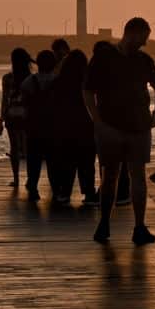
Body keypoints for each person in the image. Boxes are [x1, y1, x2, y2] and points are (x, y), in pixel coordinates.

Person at [85, 17, 155, 245]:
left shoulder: (144, 60)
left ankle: (139, 226)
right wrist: (97, 121)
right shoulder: (104, 57)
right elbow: (88, 90)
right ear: (132, 33)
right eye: (143, 38)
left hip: (139, 126)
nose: (145, 43)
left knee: (136, 175)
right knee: (110, 175)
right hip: (111, 127)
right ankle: (104, 223)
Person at [46, 49, 96, 205]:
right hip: (86, 126)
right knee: (87, 162)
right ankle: (89, 193)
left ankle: (64, 192)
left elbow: (51, 106)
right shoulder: (88, 82)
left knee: (66, 162)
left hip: (63, 127)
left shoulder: (57, 83)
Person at [23, 49, 60, 196]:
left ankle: (33, 186)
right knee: (53, 159)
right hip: (53, 125)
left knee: (34, 158)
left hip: (34, 125)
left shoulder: (29, 81)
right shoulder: (58, 80)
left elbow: (25, 103)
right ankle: (56, 188)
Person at [0, 47, 34, 194]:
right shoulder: (32, 78)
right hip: (27, 116)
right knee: (29, 148)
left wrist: (1, 119)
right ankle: (31, 179)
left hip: (11, 115)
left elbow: (4, 100)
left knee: (14, 148)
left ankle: (16, 178)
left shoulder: (7, 78)